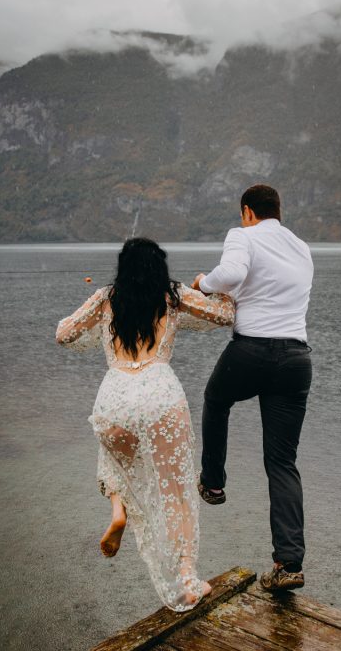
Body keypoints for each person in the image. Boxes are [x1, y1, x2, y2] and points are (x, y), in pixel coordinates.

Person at [55, 237, 235, 611]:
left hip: (115, 397)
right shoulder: (173, 295)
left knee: (115, 459)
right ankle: (186, 579)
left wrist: (96, 327)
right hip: (160, 395)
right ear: (160, 266)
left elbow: (64, 334)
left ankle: (118, 509)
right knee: (176, 492)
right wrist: (216, 287)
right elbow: (224, 315)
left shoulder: (106, 297)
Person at [192, 184, 314, 592]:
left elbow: (231, 275)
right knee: (282, 463)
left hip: (253, 351)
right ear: (278, 211)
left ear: (248, 212)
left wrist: (203, 283)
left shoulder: (241, 235)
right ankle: (288, 563)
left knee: (215, 399)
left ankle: (212, 481)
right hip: (297, 359)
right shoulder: (301, 247)